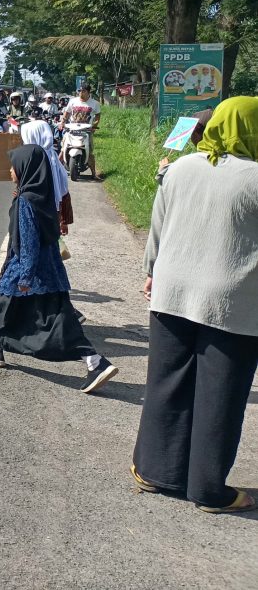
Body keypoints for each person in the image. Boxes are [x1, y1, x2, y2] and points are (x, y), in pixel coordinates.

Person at [132, 98, 258, 513]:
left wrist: (151, 270)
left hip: (171, 290)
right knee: (220, 395)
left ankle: (155, 470)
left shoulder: (180, 168)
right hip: (232, 302)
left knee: (166, 382)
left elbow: (158, 225)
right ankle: (207, 489)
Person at [0, 145, 118, 392]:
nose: (11, 171)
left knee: (36, 318)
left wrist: (24, 276)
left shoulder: (25, 201)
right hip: (50, 270)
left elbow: (27, 242)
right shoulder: (42, 196)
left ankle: (95, 362)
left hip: (30, 271)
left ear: (25, 169)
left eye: (14, 166)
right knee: (18, 312)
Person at [20, 120, 74, 233]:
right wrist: (64, 221)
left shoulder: (33, 159)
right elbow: (63, 189)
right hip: (53, 214)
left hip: (35, 215)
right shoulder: (52, 156)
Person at [156, 108, 214, 183]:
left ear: (196, 134)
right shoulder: (229, 159)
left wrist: (163, 171)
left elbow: (168, 188)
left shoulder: (185, 165)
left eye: (191, 131)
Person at [61, 83, 103, 178]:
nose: (81, 93)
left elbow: (97, 117)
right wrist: (63, 122)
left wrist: (94, 126)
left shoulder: (94, 103)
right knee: (63, 148)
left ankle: (93, 173)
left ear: (88, 92)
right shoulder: (72, 101)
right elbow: (67, 113)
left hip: (86, 131)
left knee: (90, 152)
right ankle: (57, 168)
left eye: (83, 91)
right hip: (72, 130)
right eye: (79, 91)